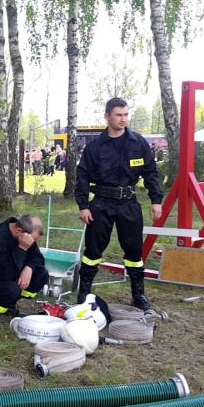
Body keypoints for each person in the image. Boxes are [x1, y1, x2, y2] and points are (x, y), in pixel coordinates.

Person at [74, 97, 163, 310]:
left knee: (134, 252)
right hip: (102, 204)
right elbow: (83, 176)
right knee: (93, 250)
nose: (123, 119)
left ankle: (138, 295)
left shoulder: (139, 143)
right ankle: (84, 292)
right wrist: (83, 205)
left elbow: (151, 172)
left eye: (126, 115)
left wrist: (156, 200)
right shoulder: (95, 147)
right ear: (107, 116)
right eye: (118, 115)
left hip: (129, 204)